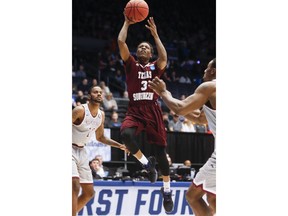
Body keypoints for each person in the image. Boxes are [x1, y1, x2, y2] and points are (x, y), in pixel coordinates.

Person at [117, 14, 174, 212]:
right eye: (141, 46)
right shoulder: (131, 64)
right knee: (125, 134)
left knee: (160, 154)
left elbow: (164, 58)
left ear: (150, 54)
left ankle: (166, 190)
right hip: (135, 109)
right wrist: (127, 22)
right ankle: (146, 164)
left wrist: (156, 36)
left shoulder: (154, 67)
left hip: (152, 109)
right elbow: (120, 41)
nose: (143, 48)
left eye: (146, 48)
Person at [148, 58, 216, 216]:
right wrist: (173, 101)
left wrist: (163, 93)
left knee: (192, 196)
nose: (204, 71)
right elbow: (200, 119)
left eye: (206, 68)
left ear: (213, 71)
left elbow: (180, 109)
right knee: (213, 198)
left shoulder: (210, 86)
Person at [72, 85, 128, 216]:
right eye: (95, 92)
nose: (98, 94)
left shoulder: (101, 115)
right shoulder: (79, 110)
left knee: (89, 193)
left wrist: (119, 145)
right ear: (89, 95)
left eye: (100, 92)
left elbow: (101, 137)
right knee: (74, 185)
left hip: (82, 151)